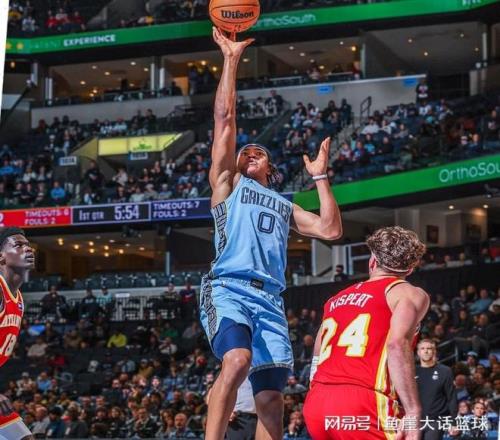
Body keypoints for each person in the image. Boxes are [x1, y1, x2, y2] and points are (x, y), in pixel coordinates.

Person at [200, 28, 342, 440]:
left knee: (271, 401)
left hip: (270, 300)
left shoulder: (284, 204)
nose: (249, 151)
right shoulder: (228, 185)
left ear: (271, 168)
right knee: (237, 360)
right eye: (244, 151)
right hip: (229, 286)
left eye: (258, 152)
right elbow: (225, 120)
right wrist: (231, 59)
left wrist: (320, 178)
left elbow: (331, 229)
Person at [303, 226, 430, 440]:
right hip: (362, 399)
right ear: (410, 268)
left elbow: (317, 352)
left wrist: (315, 390)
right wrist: (413, 411)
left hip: (317, 401)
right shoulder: (407, 293)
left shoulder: (335, 299)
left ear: (372, 261)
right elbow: (396, 345)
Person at [0, 227, 35, 440]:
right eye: (18, 245)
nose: (28, 249)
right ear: (1, 257)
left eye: (28, 245)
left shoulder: (19, 298)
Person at [415, 339, 457, 440]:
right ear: (418, 352)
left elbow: (451, 397)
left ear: (434, 351)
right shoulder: (412, 371)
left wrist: (453, 422)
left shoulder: (445, 371)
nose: (426, 351)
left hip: (436, 420)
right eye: (422, 349)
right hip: (414, 420)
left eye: (429, 348)